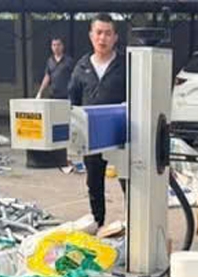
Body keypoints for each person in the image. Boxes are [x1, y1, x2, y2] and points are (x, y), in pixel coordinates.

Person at [68, 13, 126, 228]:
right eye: (99, 33)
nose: (103, 38)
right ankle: (98, 223)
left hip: (121, 134)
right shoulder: (81, 67)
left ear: (115, 37)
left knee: (129, 180)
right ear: (91, 36)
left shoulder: (125, 65)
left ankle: (133, 224)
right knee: (94, 182)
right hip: (91, 135)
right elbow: (73, 100)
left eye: (108, 33)